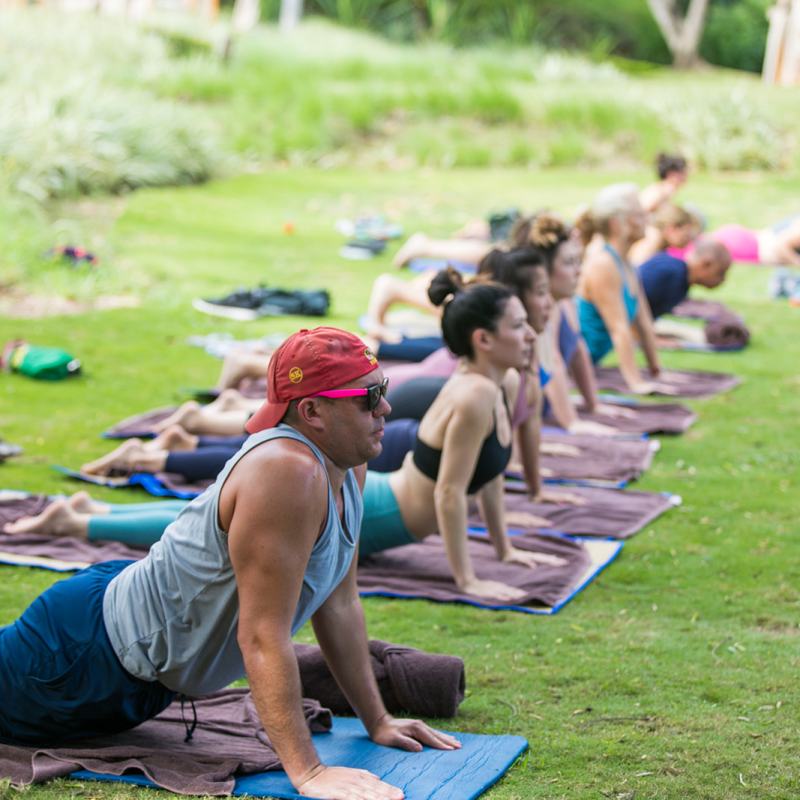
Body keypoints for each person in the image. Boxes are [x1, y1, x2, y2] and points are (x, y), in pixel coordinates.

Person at [0, 327, 459, 800]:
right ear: (312, 411)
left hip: (124, 662)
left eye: (383, 390)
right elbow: (261, 634)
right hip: (79, 654)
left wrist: (377, 719)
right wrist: (308, 772)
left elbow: (338, 601)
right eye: (368, 397)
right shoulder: (288, 471)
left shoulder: (348, 463)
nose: (385, 407)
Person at [575, 184, 668, 394]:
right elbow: (619, 329)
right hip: (572, 360)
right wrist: (636, 383)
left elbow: (643, 322)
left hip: (590, 360)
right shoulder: (603, 264)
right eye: (638, 214)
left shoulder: (627, 264)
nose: (647, 218)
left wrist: (656, 368)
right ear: (617, 223)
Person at [638, 239, 732, 319]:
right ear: (706, 264)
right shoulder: (669, 272)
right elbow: (633, 301)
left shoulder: (683, 283)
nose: (723, 280)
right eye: (721, 273)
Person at [629, 203, 697, 266]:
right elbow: (636, 267)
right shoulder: (652, 240)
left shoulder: (658, 241)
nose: (688, 241)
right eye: (685, 236)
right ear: (671, 228)